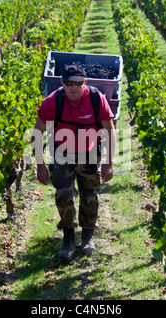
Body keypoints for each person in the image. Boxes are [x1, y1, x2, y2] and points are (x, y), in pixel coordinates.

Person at [30, 63, 116, 260]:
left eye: (78, 83)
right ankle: (68, 237)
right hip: (62, 154)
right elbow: (37, 133)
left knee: (89, 196)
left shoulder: (95, 98)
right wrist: (40, 165)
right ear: (62, 82)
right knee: (64, 196)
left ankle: (87, 236)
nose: (73, 87)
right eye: (69, 83)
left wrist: (108, 163)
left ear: (84, 82)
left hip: (89, 155)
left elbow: (110, 131)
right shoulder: (53, 101)